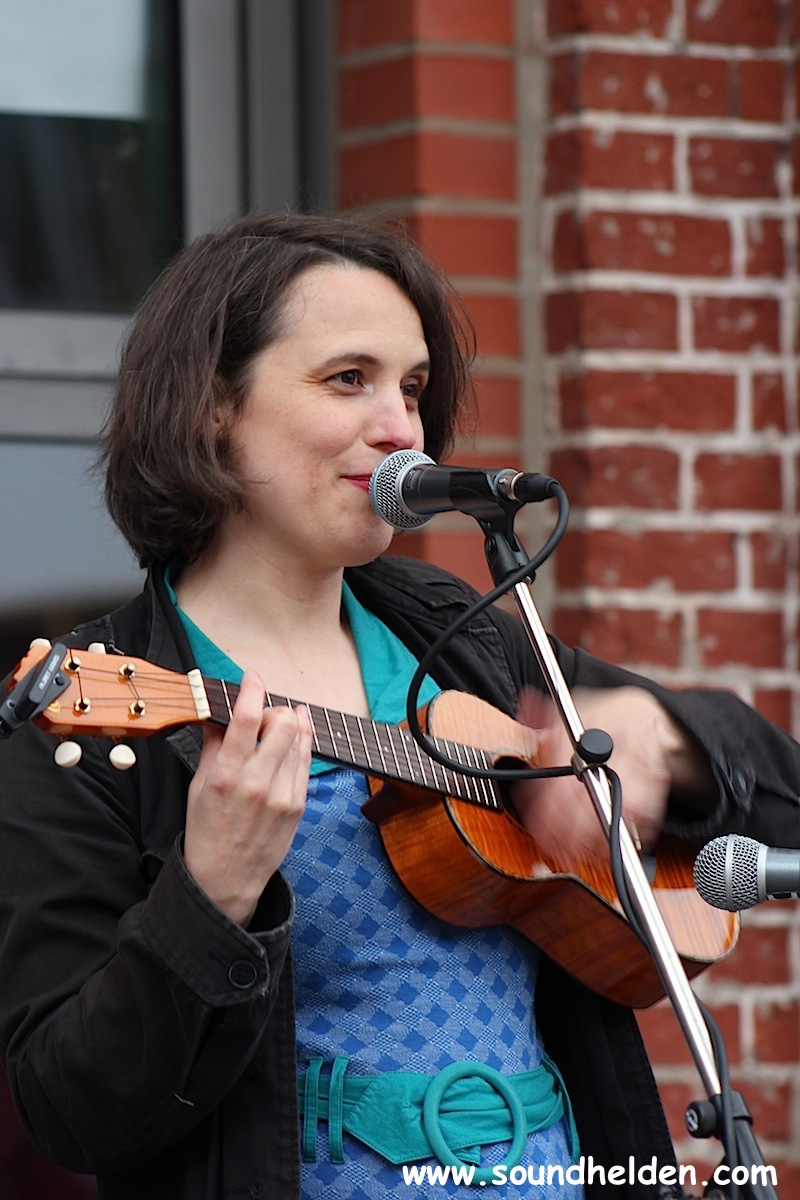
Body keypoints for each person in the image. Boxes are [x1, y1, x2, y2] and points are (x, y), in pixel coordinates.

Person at [1, 211, 800, 1200]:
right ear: (212, 406)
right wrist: (208, 897)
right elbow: (70, 1109)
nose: (400, 430)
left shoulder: (459, 639)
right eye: (349, 379)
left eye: (412, 388)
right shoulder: (101, 701)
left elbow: (780, 799)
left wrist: (667, 742)